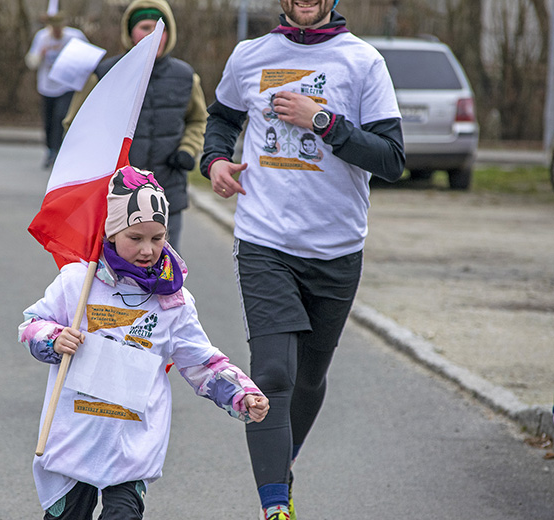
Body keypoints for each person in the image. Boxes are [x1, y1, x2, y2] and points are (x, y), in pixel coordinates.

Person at [199, 1, 405, 519]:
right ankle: (276, 507)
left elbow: (392, 159)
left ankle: (280, 461)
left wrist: (325, 122)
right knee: (272, 373)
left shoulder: (363, 62)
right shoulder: (250, 55)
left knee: (309, 378)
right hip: (264, 239)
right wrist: (216, 160)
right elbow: (222, 116)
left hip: (336, 248)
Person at [18, 165, 269, 519]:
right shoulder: (78, 281)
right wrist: (54, 338)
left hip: (131, 443)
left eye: (158, 237)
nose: (148, 250)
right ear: (111, 231)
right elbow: (30, 326)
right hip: (76, 435)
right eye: (135, 238)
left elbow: (201, 363)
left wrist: (242, 393)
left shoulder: (173, 300)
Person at [63, 0, 207, 252]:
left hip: (167, 190)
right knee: (114, 272)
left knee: (163, 271)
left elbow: (197, 120)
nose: (153, 35)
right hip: (116, 194)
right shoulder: (106, 73)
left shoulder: (186, 77)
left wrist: (188, 149)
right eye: (145, 27)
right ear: (130, 32)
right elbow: (75, 124)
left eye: (159, 28)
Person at [25, 12, 88, 169]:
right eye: (54, 28)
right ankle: (50, 149)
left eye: (59, 28)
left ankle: (58, 151)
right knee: (49, 120)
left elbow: (88, 54)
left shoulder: (74, 36)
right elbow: (31, 62)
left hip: (66, 85)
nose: (57, 31)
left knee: (61, 117)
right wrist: (41, 54)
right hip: (47, 86)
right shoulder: (42, 37)